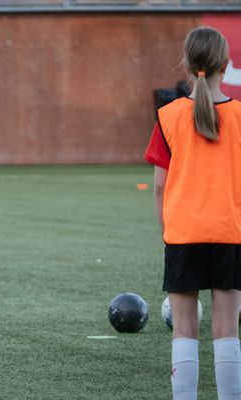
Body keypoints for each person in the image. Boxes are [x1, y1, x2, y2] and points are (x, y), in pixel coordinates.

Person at [145, 26, 241, 400]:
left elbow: (158, 186)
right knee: (227, 328)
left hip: (183, 234)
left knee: (184, 329)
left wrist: (168, 236)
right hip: (229, 233)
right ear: (226, 64)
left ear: (186, 63)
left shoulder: (168, 116)